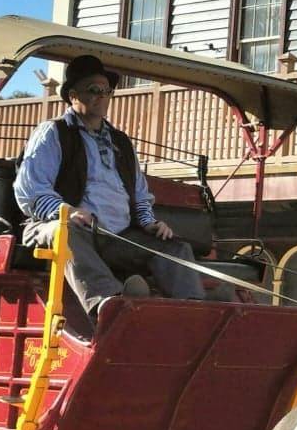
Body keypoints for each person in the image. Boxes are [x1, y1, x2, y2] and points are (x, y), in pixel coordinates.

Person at [14, 54, 202, 332]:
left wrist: (149, 222)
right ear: (73, 95)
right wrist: (67, 211)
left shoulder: (121, 142)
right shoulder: (53, 133)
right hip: (62, 230)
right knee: (64, 230)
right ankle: (109, 303)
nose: (102, 97)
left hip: (116, 236)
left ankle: (196, 310)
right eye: (94, 90)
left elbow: (139, 194)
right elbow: (30, 191)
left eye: (106, 91)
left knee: (174, 246)